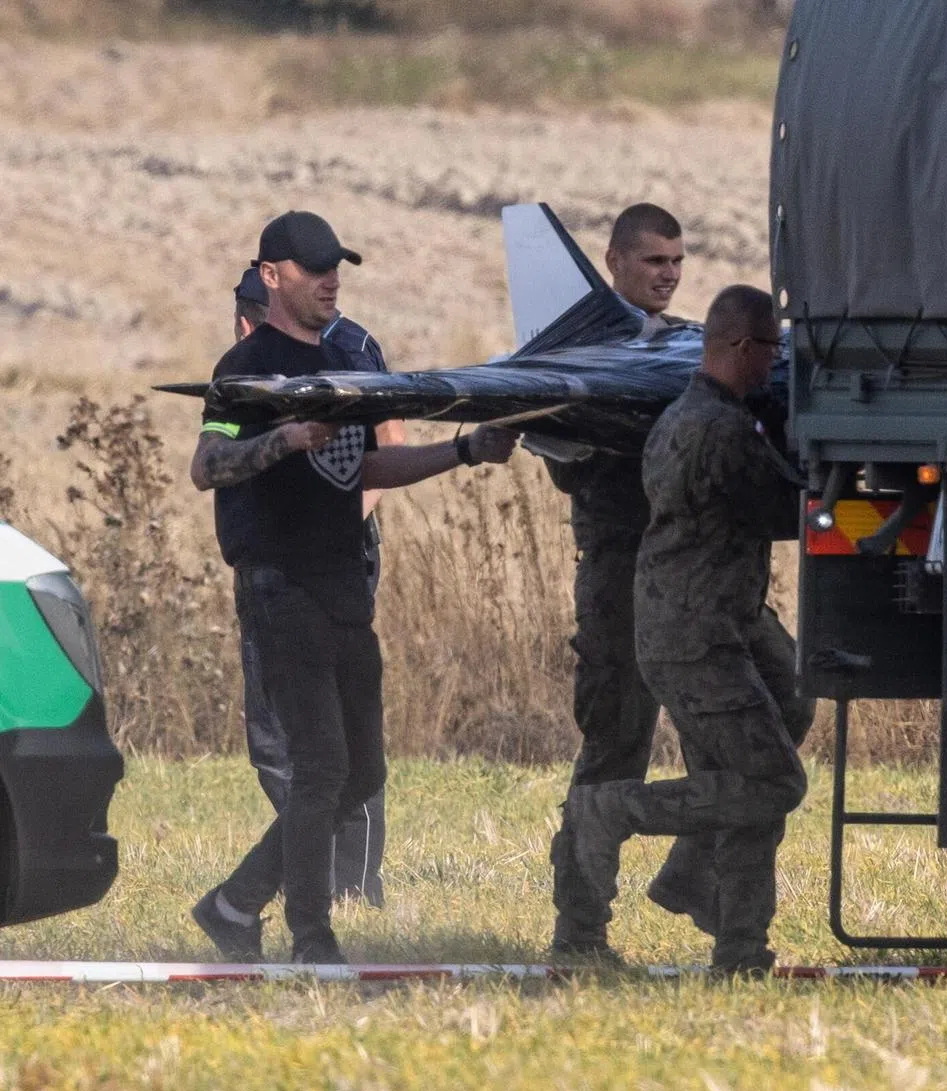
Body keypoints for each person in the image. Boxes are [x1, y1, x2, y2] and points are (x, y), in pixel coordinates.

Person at [191, 210, 517, 964]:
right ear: (272, 277)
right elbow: (208, 466)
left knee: (361, 769)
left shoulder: (346, 361)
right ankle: (313, 936)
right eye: (313, 268)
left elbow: (365, 469)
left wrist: (464, 449)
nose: (331, 279)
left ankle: (234, 903)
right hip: (279, 585)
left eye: (336, 265)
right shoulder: (246, 372)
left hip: (342, 583)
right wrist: (281, 438)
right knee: (321, 766)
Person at [553, 285, 815, 975]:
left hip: (715, 621)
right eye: (768, 350)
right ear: (739, 348)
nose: (772, 365)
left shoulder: (688, 415)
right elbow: (783, 510)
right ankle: (614, 812)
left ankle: (736, 941)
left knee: (780, 718)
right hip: (696, 634)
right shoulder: (718, 430)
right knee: (772, 781)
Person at [545, 203, 707, 958]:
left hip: (694, 572)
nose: (668, 275)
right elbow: (558, 456)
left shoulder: (682, 346)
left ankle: (694, 873)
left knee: (767, 720)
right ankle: (580, 929)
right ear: (612, 260)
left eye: (676, 262)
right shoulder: (589, 353)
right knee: (617, 744)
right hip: (618, 575)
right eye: (653, 262)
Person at [229, 266, 406, 908]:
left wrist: (326, 530)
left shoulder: (351, 350)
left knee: (330, 741)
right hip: (279, 563)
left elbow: (388, 447)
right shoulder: (255, 364)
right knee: (285, 740)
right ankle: (306, 879)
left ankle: (348, 885)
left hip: (329, 564)